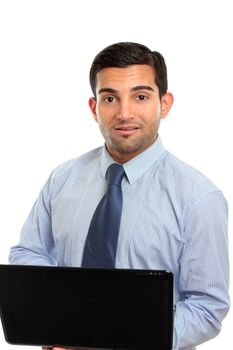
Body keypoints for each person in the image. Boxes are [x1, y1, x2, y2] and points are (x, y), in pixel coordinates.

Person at [9, 42, 229, 350]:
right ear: (93, 107)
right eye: (110, 98)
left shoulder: (200, 198)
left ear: (164, 104)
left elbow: (207, 307)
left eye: (140, 96)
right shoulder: (62, 179)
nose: (124, 113)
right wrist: (57, 321)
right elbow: (28, 254)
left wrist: (125, 334)